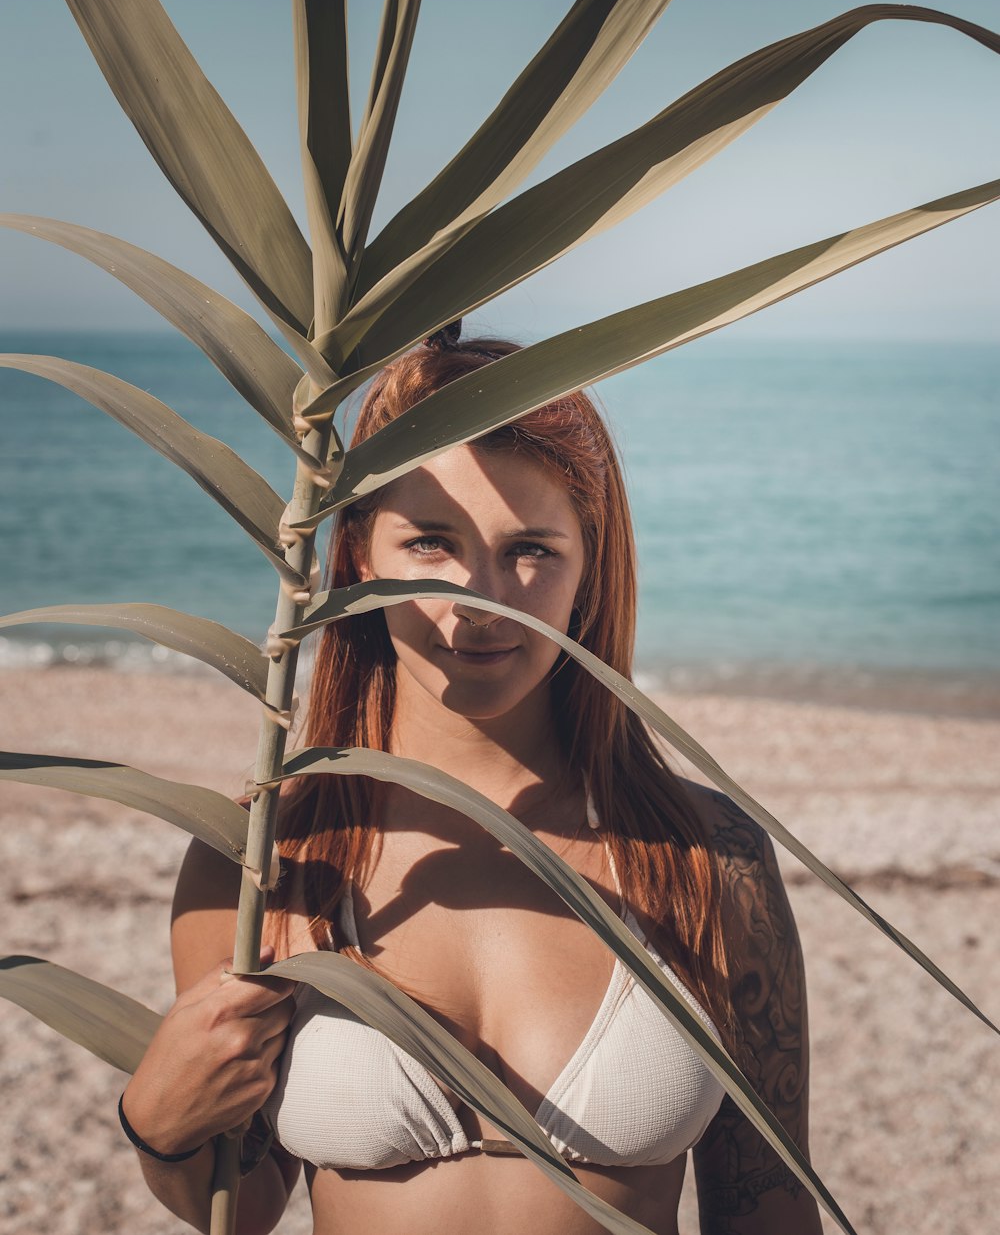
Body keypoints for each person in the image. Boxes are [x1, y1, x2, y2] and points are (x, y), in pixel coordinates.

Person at [119, 330, 822, 1235]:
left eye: (530, 550)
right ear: (359, 556)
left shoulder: (707, 859)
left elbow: (766, 1208)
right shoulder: (264, 860)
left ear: (590, 569)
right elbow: (241, 1205)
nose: (477, 600)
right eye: (430, 543)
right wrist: (159, 1126)